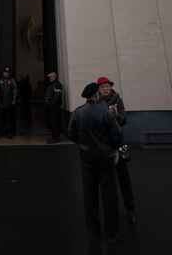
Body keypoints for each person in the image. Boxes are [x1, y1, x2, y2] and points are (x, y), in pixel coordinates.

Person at [68, 82, 122, 244]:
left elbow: (71, 133)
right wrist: (112, 148)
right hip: (105, 159)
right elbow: (117, 133)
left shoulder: (77, 113)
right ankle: (112, 234)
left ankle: (93, 233)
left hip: (87, 159)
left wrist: (84, 144)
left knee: (89, 197)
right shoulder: (104, 112)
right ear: (97, 95)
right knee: (109, 197)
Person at [97, 75, 136, 223]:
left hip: (117, 144)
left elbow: (124, 120)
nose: (105, 89)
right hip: (104, 145)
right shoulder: (96, 102)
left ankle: (130, 207)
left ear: (110, 87)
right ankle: (111, 210)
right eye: (102, 87)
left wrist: (116, 114)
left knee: (124, 178)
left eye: (107, 86)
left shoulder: (117, 100)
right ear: (99, 90)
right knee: (107, 180)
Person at [0, 67, 17, 139]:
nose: (6, 73)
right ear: (2, 73)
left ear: (8, 73)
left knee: (9, 118)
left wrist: (14, 99)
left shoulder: (12, 80)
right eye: (4, 72)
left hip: (9, 102)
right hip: (0, 102)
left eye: (7, 72)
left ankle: (9, 133)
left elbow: (15, 90)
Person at [44, 72, 63, 143]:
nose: (49, 78)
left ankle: (55, 138)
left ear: (54, 77)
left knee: (54, 122)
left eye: (51, 76)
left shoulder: (57, 84)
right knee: (52, 122)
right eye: (49, 77)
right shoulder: (51, 85)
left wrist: (53, 102)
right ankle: (54, 136)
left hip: (54, 107)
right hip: (50, 107)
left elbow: (58, 95)